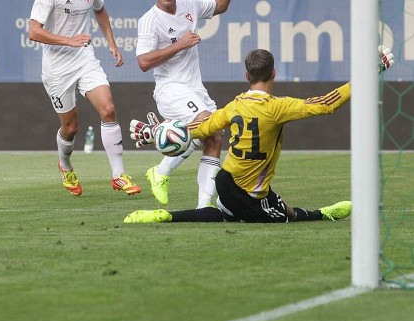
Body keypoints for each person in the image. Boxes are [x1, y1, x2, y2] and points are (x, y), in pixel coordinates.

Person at [124, 46, 395, 224]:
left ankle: (168, 216)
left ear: (246, 75)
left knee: (226, 213)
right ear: (273, 73)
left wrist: (156, 133)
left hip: (225, 182)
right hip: (249, 194)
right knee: (283, 215)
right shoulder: (277, 107)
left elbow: (201, 128)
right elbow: (327, 103)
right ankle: (322, 214)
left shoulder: (233, 106)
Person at [29, 0, 139, 197]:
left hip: (84, 59)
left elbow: (100, 10)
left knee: (108, 109)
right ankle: (65, 164)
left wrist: (111, 42)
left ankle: (118, 175)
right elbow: (33, 31)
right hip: (57, 68)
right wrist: (69, 40)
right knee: (71, 128)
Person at [135, 0, 239, 208]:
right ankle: (161, 154)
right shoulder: (150, 20)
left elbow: (221, 5)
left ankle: (202, 205)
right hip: (170, 89)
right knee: (205, 124)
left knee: (214, 137)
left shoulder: (190, 5)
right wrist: (180, 44)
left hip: (194, 89)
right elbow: (144, 62)